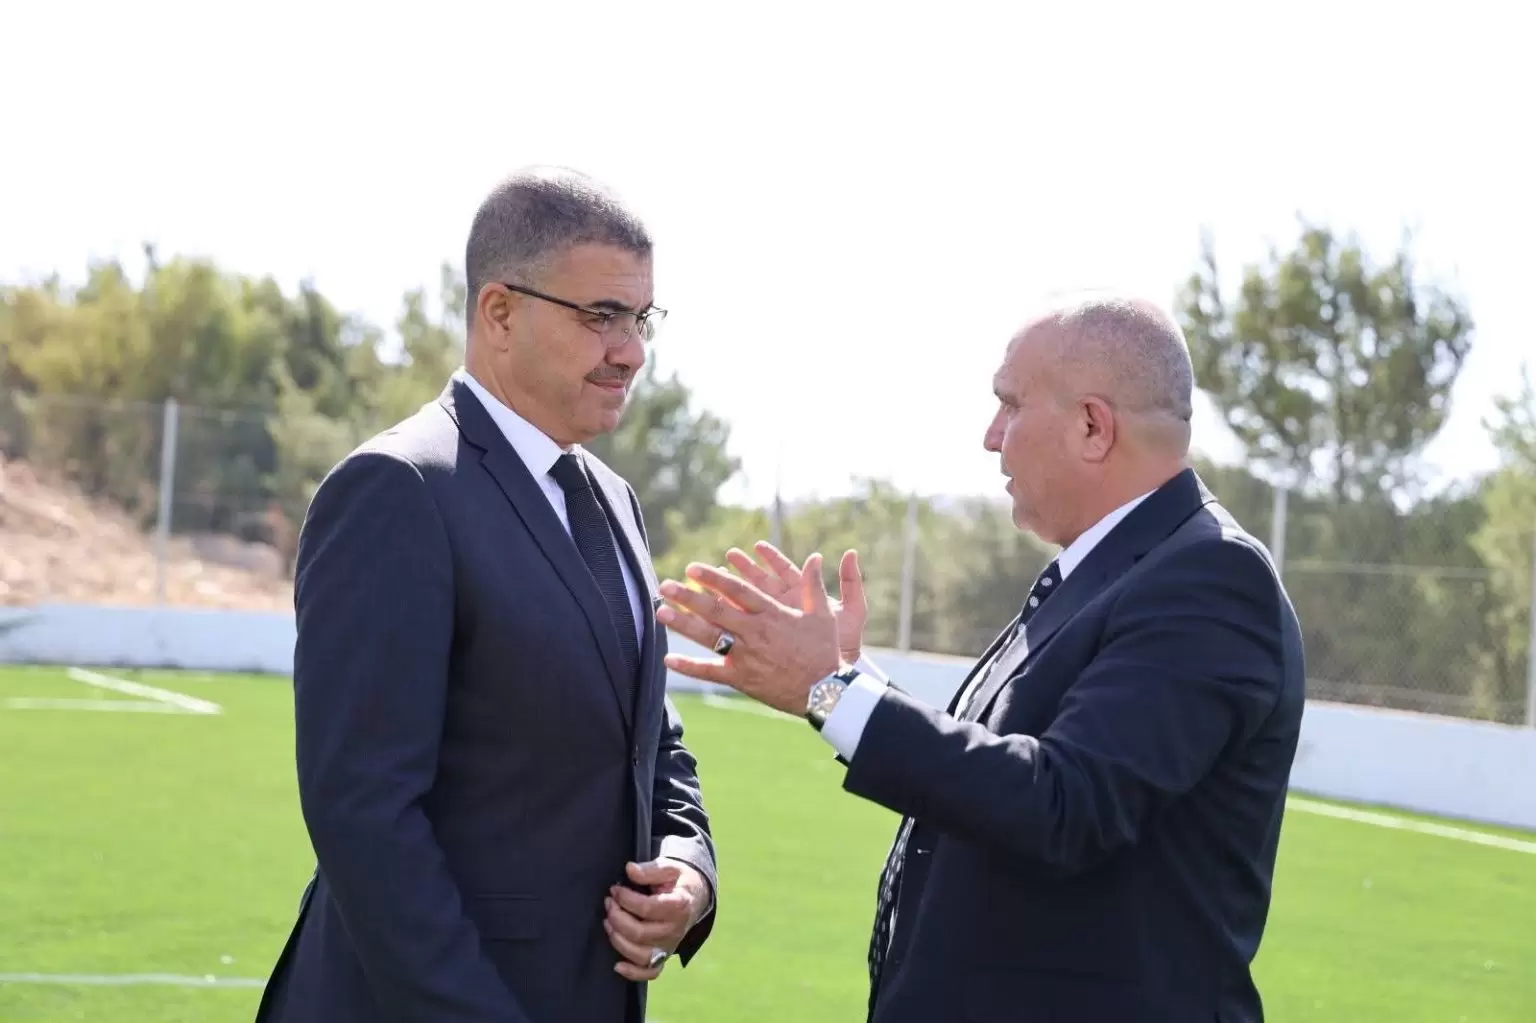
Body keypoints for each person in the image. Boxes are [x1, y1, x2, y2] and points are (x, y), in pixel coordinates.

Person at [660, 294, 1305, 1022]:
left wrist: (827, 690)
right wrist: (847, 674)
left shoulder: (1210, 577)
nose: (991, 436)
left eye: (1010, 404)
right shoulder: (1115, 568)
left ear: (1093, 427)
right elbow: (998, 767)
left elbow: (1064, 804)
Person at [255, 167, 717, 1023]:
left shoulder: (614, 502)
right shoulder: (397, 489)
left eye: (641, 318)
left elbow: (651, 743)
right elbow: (365, 812)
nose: (631, 350)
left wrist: (689, 870)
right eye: (601, 315)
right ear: (500, 312)